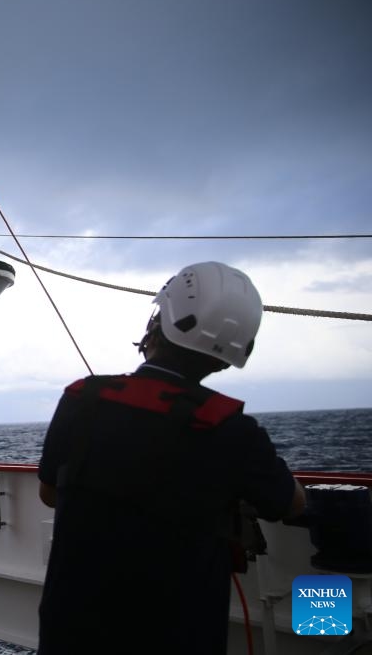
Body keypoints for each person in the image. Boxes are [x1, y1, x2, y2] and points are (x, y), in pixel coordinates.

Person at [36, 261, 305, 654]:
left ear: (159, 323)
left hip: (73, 626)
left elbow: (49, 493)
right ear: (230, 356)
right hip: (179, 633)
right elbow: (291, 503)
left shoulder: (82, 398)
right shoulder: (231, 429)